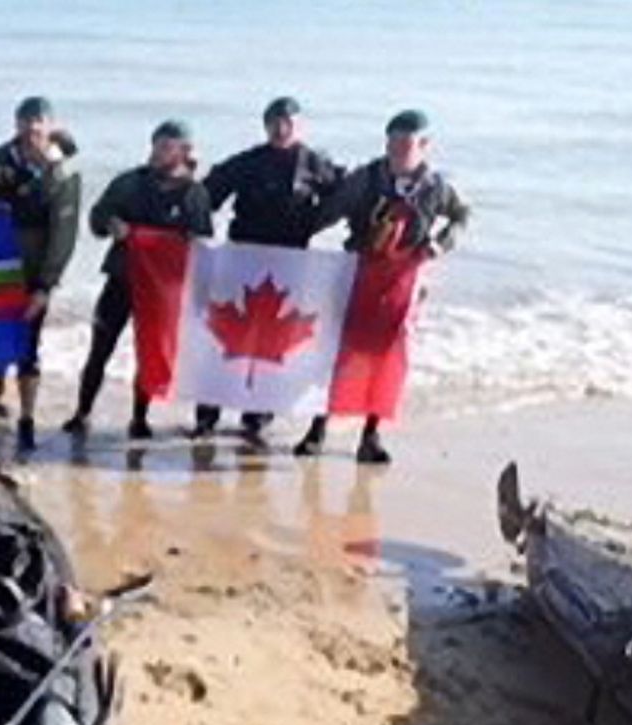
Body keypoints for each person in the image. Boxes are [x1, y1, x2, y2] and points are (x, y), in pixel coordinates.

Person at [296, 109, 469, 465]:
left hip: (404, 282)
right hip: (358, 275)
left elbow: (462, 215)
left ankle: (370, 436)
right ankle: (317, 429)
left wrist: (438, 244)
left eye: (407, 143)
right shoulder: (367, 178)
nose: (399, 150)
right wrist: (292, 239)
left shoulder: (436, 187)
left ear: (424, 145)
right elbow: (331, 210)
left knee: (387, 358)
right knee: (337, 353)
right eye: (393, 142)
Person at [196, 95, 344, 443]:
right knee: (224, 333)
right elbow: (205, 197)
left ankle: (257, 415)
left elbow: (347, 197)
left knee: (272, 341)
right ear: (265, 126)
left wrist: (319, 224)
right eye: (274, 122)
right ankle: (207, 413)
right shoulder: (248, 162)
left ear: (299, 126)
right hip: (243, 258)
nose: (280, 129)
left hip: (290, 262)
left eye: (288, 123)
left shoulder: (315, 164)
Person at [64, 119, 212, 440]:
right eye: (156, 145)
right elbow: (96, 219)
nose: (157, 152)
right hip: (122, 278)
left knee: (148, 350)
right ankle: (82, 412)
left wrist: (167, 240)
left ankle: (139, 419)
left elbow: (201, 243)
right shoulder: (130, 182)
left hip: (162, 289)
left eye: (166, 147)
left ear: (183, 152)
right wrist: (112, 223)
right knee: (100, 347)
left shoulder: (194, 194)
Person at [0, 95, 81, 451]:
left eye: (39, 121)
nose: (32, 128)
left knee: (28, 346)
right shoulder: (1, 159)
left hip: (34, 272)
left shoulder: (61, 172)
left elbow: (63, 236)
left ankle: (28, 417)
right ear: (16, 125)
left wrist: (45, 286)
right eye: (25, 121)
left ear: (50, 126)